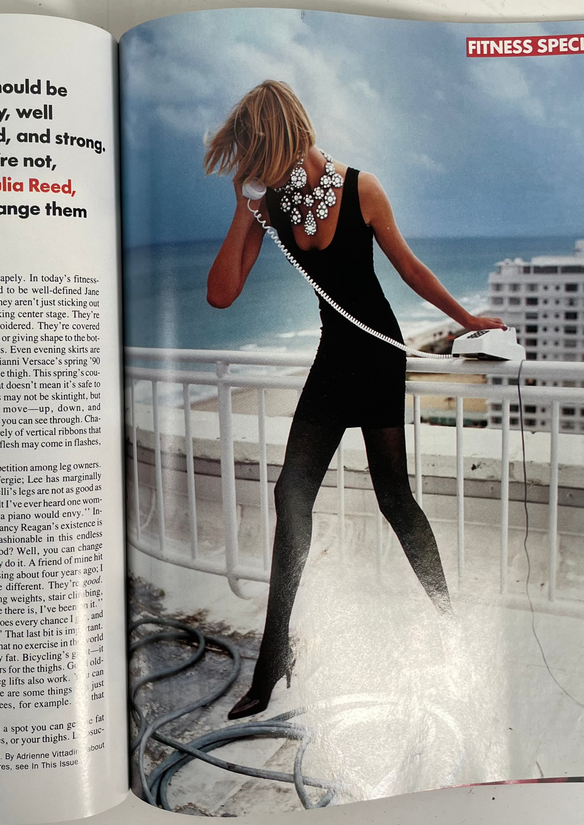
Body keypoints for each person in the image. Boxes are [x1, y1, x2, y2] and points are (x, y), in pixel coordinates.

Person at [204, 80, 504, 720]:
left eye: (258, 156)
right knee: (291, 494)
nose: (256, 169)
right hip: (332, 362)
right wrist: (244, 208)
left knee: (395, 498)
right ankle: (273, 657)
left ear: (284, 140)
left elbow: (410, 269)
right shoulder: (269, 201)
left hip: (377, 357)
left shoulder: (361, 188)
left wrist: (467, 321)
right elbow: (221, 295)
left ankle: (451, 625)